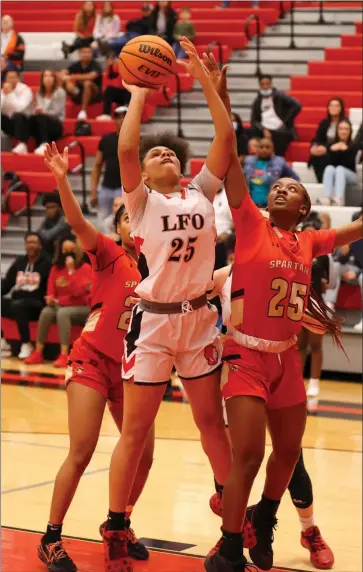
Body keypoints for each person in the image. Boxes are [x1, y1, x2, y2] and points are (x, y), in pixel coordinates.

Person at [202, 52, 362, 572]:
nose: (281, 188)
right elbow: (227, 159)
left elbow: (352, 231)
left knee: (288, 456)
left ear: (304, 209)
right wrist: (221, 98)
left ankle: (265, 520)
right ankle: (229, 544)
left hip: (285, 360)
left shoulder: (311, 240)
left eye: (291, 188)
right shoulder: (249, 220)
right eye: (278, 185)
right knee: (247, 456)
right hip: (244, 355)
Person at [101, 38, 234, 571]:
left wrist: (204, 79)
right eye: (158, 154)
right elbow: (127, 151)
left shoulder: (200, 191)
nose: (164, 154)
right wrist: (138, 92)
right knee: (136, 432)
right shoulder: (141, 202)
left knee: (211, 424)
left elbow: (225, 135)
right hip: (154, 325)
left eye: (171, 152)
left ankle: (231, 506)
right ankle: (116, 523)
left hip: (199, 322)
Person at [36, 142, 153, 572]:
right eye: (124, 217)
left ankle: (118, 524)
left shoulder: (157, 268)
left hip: (132, 368)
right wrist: (63, 180)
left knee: (144, 452)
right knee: (82, 450)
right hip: (91, 359)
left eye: (134, 217)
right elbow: (75, 221)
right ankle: (50, 537)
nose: (130, 223)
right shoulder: (107, 252)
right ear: (120, 227)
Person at [210, 262, 334, 570]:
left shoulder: (287, 272)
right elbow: (190, 312)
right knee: (238, 459)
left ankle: (309, 531)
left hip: (279, 367)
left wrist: (302, 307)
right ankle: (234, 533)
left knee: (291, 458)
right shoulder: (222, 276)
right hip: (239, 368)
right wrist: (213, 339)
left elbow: (321, 327)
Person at [25, 235, 91, 368]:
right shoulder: (56, 269)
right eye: (64, 250)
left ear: (77, 251)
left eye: (71, 250)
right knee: (46, 311)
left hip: (82, 307)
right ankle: (38, 352)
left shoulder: (85, 268)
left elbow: (78, 294)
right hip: (61, 305)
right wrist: (49, 299)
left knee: (62, 313)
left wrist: (71, 271)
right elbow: (50, 290)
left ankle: (64, 354)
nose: (67, 254)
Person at [298, 214, 334, 399]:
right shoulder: (294, 252)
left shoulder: (325, 256)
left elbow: (332, 282)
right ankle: (297, 382)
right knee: (299, 345)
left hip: (316, 304)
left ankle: (314, 382)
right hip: (297, 303)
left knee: (315, 344)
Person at [1, 232, 51, 359]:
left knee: (19, 305)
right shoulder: (19, 262)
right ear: (25, 245)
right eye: (29, 242)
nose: (31, 245)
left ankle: (26, 343)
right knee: (9, 304)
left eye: (34, 242)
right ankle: (3, 341)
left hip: (37, 304)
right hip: (17, 302)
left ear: (40, 245)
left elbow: (49, 287)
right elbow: (7, 284)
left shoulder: (47, 264)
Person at [251, 74, 302, 157]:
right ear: (260, 86)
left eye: (267, 84)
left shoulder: (280, 95)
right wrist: (264, 130)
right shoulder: (257, 101)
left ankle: (277, 159)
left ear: (271, 84)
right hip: (265, 128)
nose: (265, 86)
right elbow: (254, 121)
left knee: (279, 135)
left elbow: (297, 105)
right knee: (248, 132)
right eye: (262, 84)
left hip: (280, 128)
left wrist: (286, 121)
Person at [90, 106, 126, 224]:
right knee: (103, 222)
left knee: (123, 220)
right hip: (106, 187)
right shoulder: (106, 139)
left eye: (124, 116)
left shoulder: (138, 140)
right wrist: (93, 192)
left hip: (125, 187)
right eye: (118, 117)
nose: (121, 120)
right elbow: (97, 165)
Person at [243, 138, 299, 208]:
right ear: (257, 148)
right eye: (261, 147)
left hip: (271, 205)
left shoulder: (280, 162)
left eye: (267, 147)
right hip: (250, 204)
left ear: (273, 149)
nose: (264, 149)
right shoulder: (248, 160)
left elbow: (295, 179)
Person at [308, 98, 347, 183]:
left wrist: (326, 148)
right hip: (325, 150)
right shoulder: (325, 122)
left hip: (338, 152)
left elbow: (344, 141)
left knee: (323, 156)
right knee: (316, 156)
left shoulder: (345, 122)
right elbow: (317, 138)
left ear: (341, 108)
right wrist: (313, 147)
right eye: (331, 106)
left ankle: (326, 183)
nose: (333, 108)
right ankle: (321, 182)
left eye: (336, 106)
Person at [28, 69, 66, 156]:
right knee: (31, 118)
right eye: (45, 76)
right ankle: (23, 144)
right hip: (42, 124)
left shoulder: (60, 92)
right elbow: (38, 109)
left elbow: (56, 111)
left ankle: (45, 144)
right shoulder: (39, 93)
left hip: (55, 124)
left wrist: (42, 112)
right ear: (42, 79)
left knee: (41, 117)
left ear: (54, 79)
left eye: (51, 76)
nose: (48, 78)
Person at [322, 119, 358, 206]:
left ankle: (339, 199)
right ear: (337, 130)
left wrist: (345, 150)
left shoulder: (353, 145)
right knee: (329, 168)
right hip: (336, 174)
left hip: (351, 175)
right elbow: (327, 163)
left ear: (350, 131)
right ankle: (327, 198)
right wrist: (332, 150)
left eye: (346, 129)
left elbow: (348, 163)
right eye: (341, 129)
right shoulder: (331, 144)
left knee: (340, 169)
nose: (343, 131)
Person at [62, 45, 102, 121]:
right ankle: (60, 109)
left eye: (88, 52)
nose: (86, 54)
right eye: (84, 52)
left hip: (94, 95)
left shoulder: (96, 65)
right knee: (64, 82)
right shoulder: (77, 64)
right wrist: (67, 81)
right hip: (78, 93)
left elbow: (91, 76)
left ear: (92, 54)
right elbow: (63, 72)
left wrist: (71, 77)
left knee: (87, 83)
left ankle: (83, 111)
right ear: (79, 54)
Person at [1, 68, 33, 155]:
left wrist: (10, 93)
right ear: (5, 80)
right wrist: (4, 94)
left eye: (14, 77)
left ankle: (22, 144)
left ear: (18, 78)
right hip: (9, 124)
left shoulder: (26, 90)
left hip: (25, 123)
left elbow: (20, 108)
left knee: (18, 115)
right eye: (9, 77)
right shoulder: (3, 90)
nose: (11, 80)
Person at [37, 192, 70, 257]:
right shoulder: (47, 219)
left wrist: (42, 233)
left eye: (52, 207)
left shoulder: (64, 219)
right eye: (47, 208)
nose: (49, 210)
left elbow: (47, 236)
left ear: (60, 208)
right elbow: (38, 233)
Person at [1, 15, 25, 82]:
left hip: (11, 63)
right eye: (3, 21)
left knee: (7, 66)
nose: (4, 22)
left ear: (12, 24)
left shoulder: (18, 38)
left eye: (7, 21)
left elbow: (20, 54)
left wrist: (8, 55)